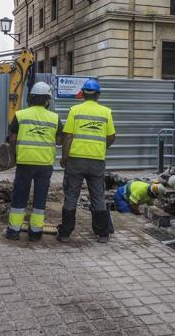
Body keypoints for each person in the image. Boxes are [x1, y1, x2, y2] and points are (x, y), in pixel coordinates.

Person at [57, 79, 116, 243]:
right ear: (98, 95)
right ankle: (102, 234)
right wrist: (100, 148)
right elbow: (111, 137)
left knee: (71, 196)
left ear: (82, 94)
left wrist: (64, 158)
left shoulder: (74, 110)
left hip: (76, 161)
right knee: (97, 196)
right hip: (96, 161)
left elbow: (67, 136)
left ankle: (64, 233)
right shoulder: (106, 112)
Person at [4, 82, 63, 241]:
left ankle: (14, 231)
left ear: (31, 98)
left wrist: (13, 156)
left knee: (20, 196)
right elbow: (59, 141)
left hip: (25, 163)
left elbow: (12, 138)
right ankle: (35, 233)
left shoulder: (20, 115)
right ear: (47, 100)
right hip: (44, 164)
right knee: (40, 197)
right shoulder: (54, 118)